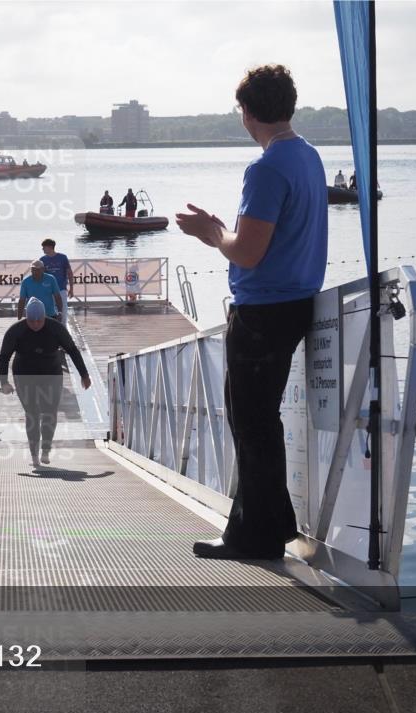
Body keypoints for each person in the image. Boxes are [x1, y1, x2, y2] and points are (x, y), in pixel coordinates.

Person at [174, 64, 327, 561]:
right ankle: (273, 524)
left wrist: (213, 233)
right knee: (261, 421)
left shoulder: (266, 168)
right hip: (296, 302)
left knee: (252, 423)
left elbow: (248, 252)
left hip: (263, 312)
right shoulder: (308, 156)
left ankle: (253, 537)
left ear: (246, 112)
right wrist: (224, 232)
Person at [0, 298, 92, 466]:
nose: (35, 324)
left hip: (51, 373)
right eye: (31, 321)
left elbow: (72, 350)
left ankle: (46, 450)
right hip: (24, 374)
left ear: (44, 317)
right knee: (32, 413)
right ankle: (34, 454)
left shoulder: (56, 328)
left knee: (50, 412)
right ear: (26, 318)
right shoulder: (16, 331)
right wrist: (4, 382)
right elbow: (4, 357)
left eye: (39, 321)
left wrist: (84, 374)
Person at [39, 238, 74, 328]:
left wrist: (71, 288)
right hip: (48, 290)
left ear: (50, 247)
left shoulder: (62, 257)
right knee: (48, 311)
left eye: (44, 247)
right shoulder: (42, 259)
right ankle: (50, 329)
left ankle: (63, 329)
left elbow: (69, 273)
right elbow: (41, 276)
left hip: (61, 289)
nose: (42, 249)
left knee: (63, 310)